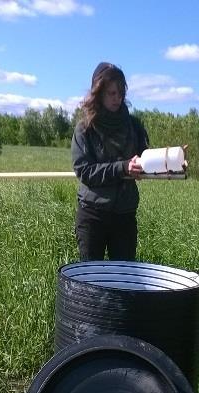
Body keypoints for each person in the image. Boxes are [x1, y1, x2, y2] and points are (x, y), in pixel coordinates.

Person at [71, 62, 149, 261]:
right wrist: (123, 168)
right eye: (111, 93)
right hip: (92, 215)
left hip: (125, 214)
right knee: (90, 282)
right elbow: (85, 171)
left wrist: (171, 164)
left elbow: (146, 160)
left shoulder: (134, 126)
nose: (118, 98)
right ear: (98, 93)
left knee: (123, 281)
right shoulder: (85, 128)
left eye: (120, 93)